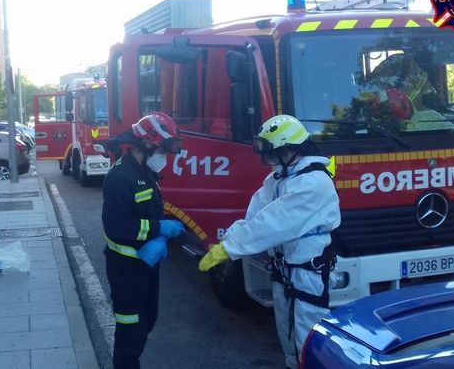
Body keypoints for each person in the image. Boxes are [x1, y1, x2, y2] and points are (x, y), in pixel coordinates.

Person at [198, 114, 340, 369]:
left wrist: (229, 248)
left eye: (273, 154)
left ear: (289, 150)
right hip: (286, 271)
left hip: (307, 273)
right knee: (288, 333)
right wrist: (227, 239)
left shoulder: (313, 183)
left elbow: (272, 223)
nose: (269, 161)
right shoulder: (280, 179)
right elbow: (255, 216)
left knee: (309, 336)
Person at [102, 112, 185, 369]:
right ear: (146, 144)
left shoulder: (146, 171)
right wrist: (159, 228)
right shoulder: (120, 176)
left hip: (146, 264)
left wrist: (158, 236)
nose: (164, 156)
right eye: (161, 150)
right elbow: (116, 226)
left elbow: (148, 212)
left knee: (148, 320)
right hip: (126, 268)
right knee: (130, 331)